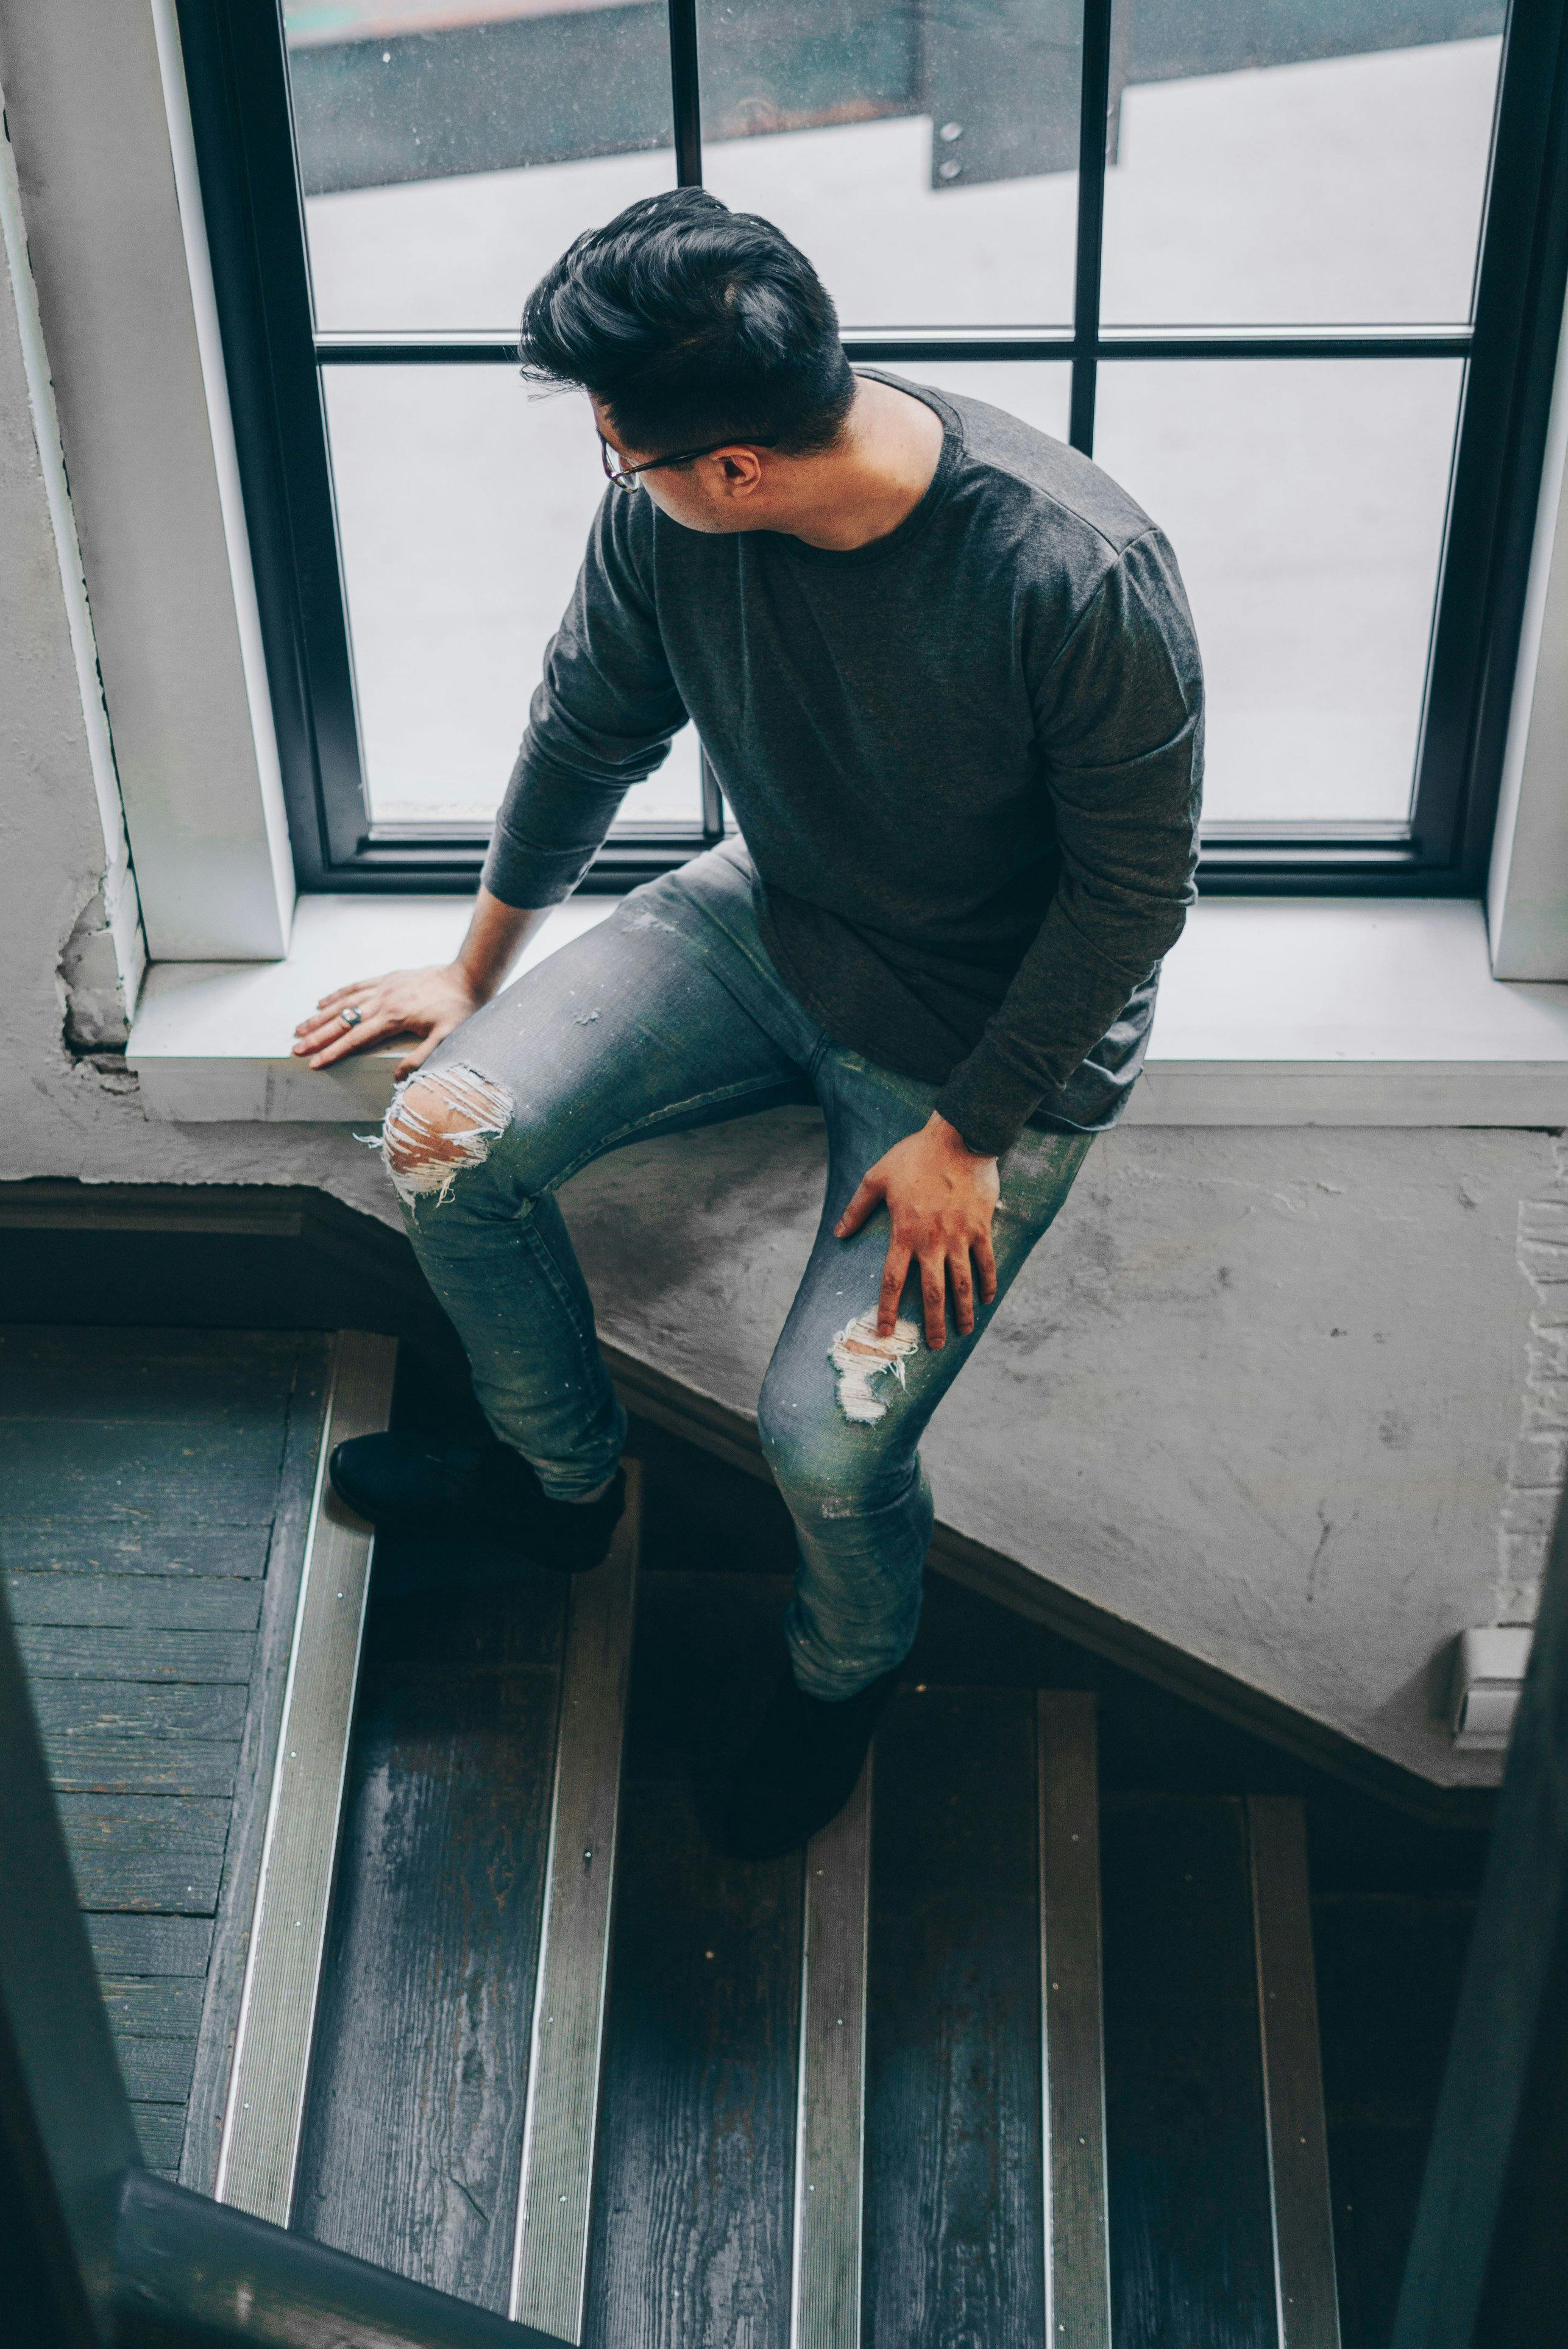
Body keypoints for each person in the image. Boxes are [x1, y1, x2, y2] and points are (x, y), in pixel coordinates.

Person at [293, 188, 1203, 1858]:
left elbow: (1134, 898)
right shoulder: (667, 524)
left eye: (617, 444)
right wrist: (476, 968)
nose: (610, 468)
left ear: (738, 469)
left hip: (986, 1047)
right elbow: (586, 726)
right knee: (441, 1137)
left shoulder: (1077, 574)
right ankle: (556, 1495)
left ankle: (843, 1672)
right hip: (768, 914)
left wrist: (973, 1132)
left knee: (824, 1445)